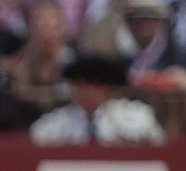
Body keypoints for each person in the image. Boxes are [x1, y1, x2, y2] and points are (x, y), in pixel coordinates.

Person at [29, 52, 163, 143]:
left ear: (107, 88)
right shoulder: (54, 125)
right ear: (74, 87)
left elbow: (160, 146)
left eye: (98, 84)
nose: (91, 92)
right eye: (85, 84)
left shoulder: (137, 118)